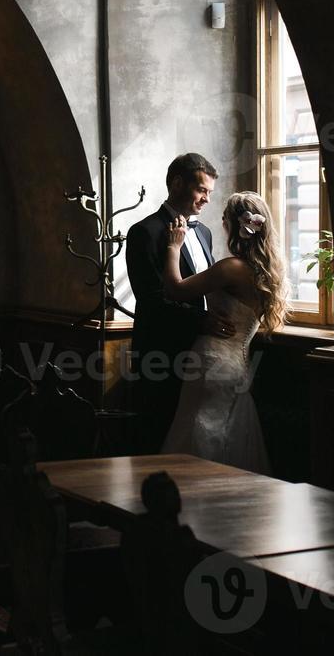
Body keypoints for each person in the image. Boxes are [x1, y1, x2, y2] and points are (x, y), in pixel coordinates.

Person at [159, 191, 288, 473]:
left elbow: (175, 289)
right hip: (239, 365)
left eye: (224, 219)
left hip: (211, 362)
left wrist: (173, 247)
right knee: (230, 433)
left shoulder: (230, 268)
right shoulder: (268, 273)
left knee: (198, 430)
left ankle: (194, 492)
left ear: (233, 225)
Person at [125, 153, 235, 455]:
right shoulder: (144, 233)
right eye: (202, 190)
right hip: (162, 354)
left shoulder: (206, 232)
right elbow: (151, 301)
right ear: (176, 183)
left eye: (210, 192)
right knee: (159, 437)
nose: (207, 200)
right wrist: (202, 321)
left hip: (205, 352)